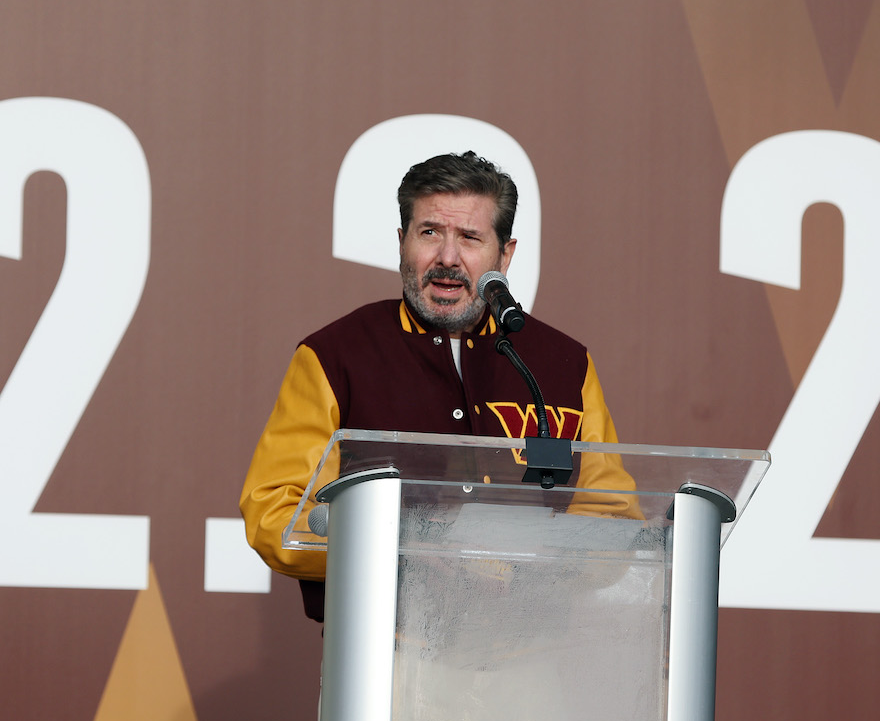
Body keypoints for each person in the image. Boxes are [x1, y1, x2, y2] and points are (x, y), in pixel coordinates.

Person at [239, 150, 635, 621]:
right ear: (403, 241)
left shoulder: (563, 363)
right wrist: (402, 551)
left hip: (536, 660)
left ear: (504, 255)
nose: (447, 258)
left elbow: (613, 515)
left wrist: (524, 567)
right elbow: (274, 512)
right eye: (430, 233)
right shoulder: (335, 355)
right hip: (384, 655)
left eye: (470, 237)